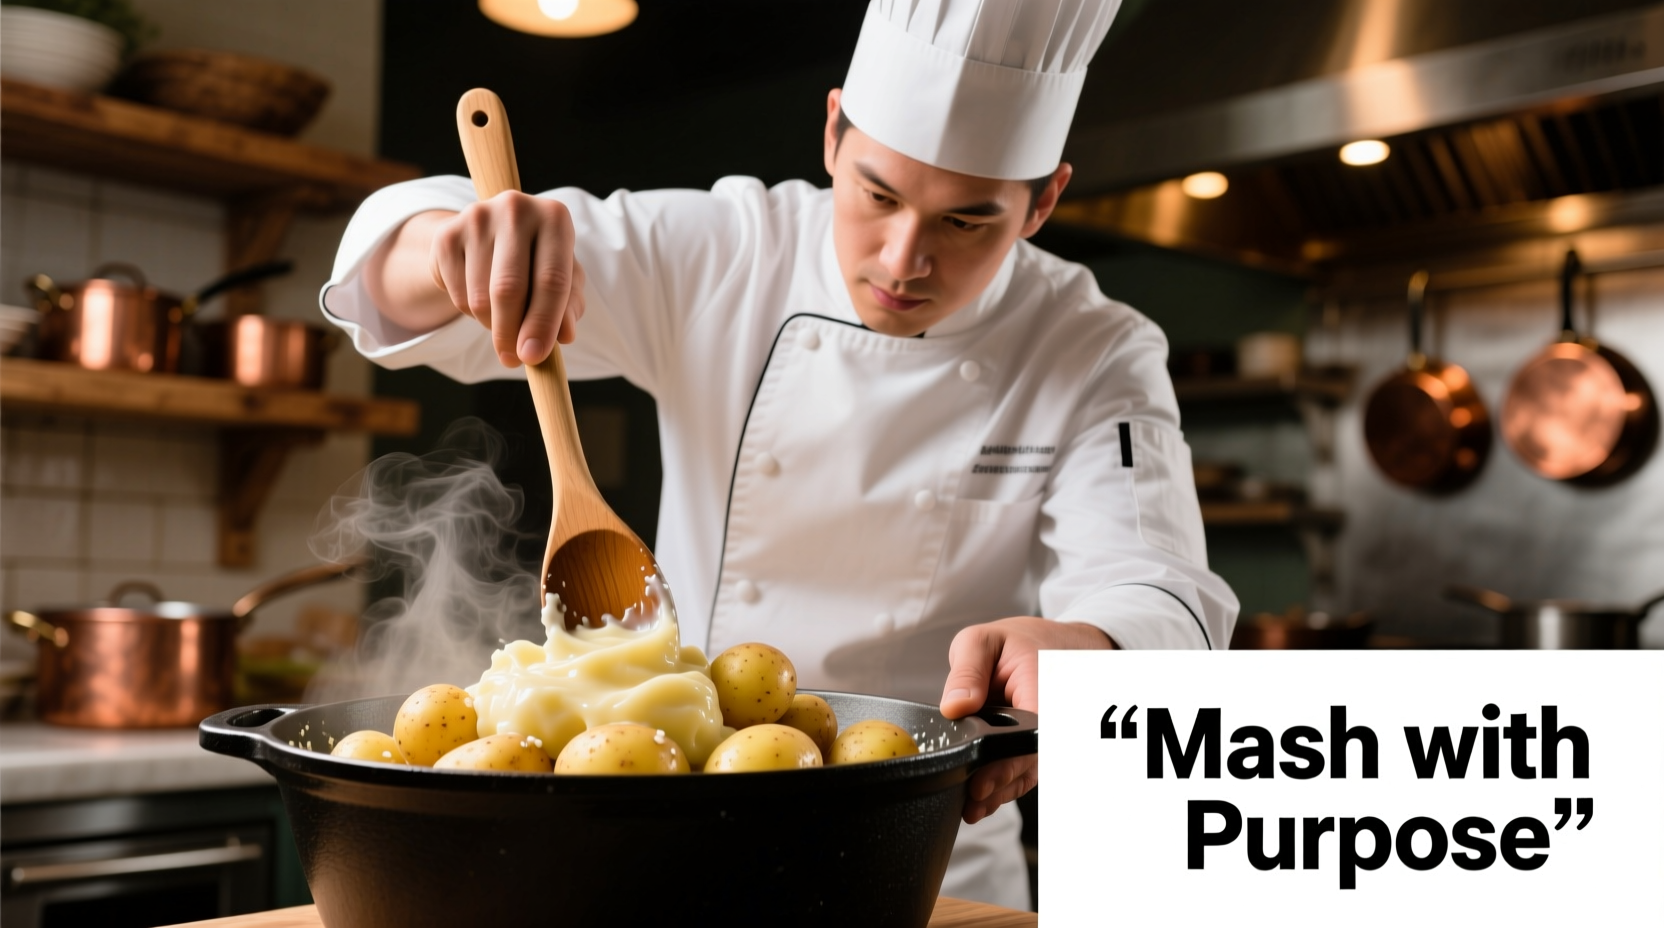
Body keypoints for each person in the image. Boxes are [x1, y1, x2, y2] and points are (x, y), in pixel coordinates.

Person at [320, 0, 1237, 910]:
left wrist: (1090, 646)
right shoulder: (728, 251)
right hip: (670, 833)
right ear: (834, 132)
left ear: (1043, 201)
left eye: (968, 223)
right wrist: (449, 244)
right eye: (877, 194)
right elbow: (397, 289)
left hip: (924, 865)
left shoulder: (1094, 347)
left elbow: (1156, 579)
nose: (905, 258)